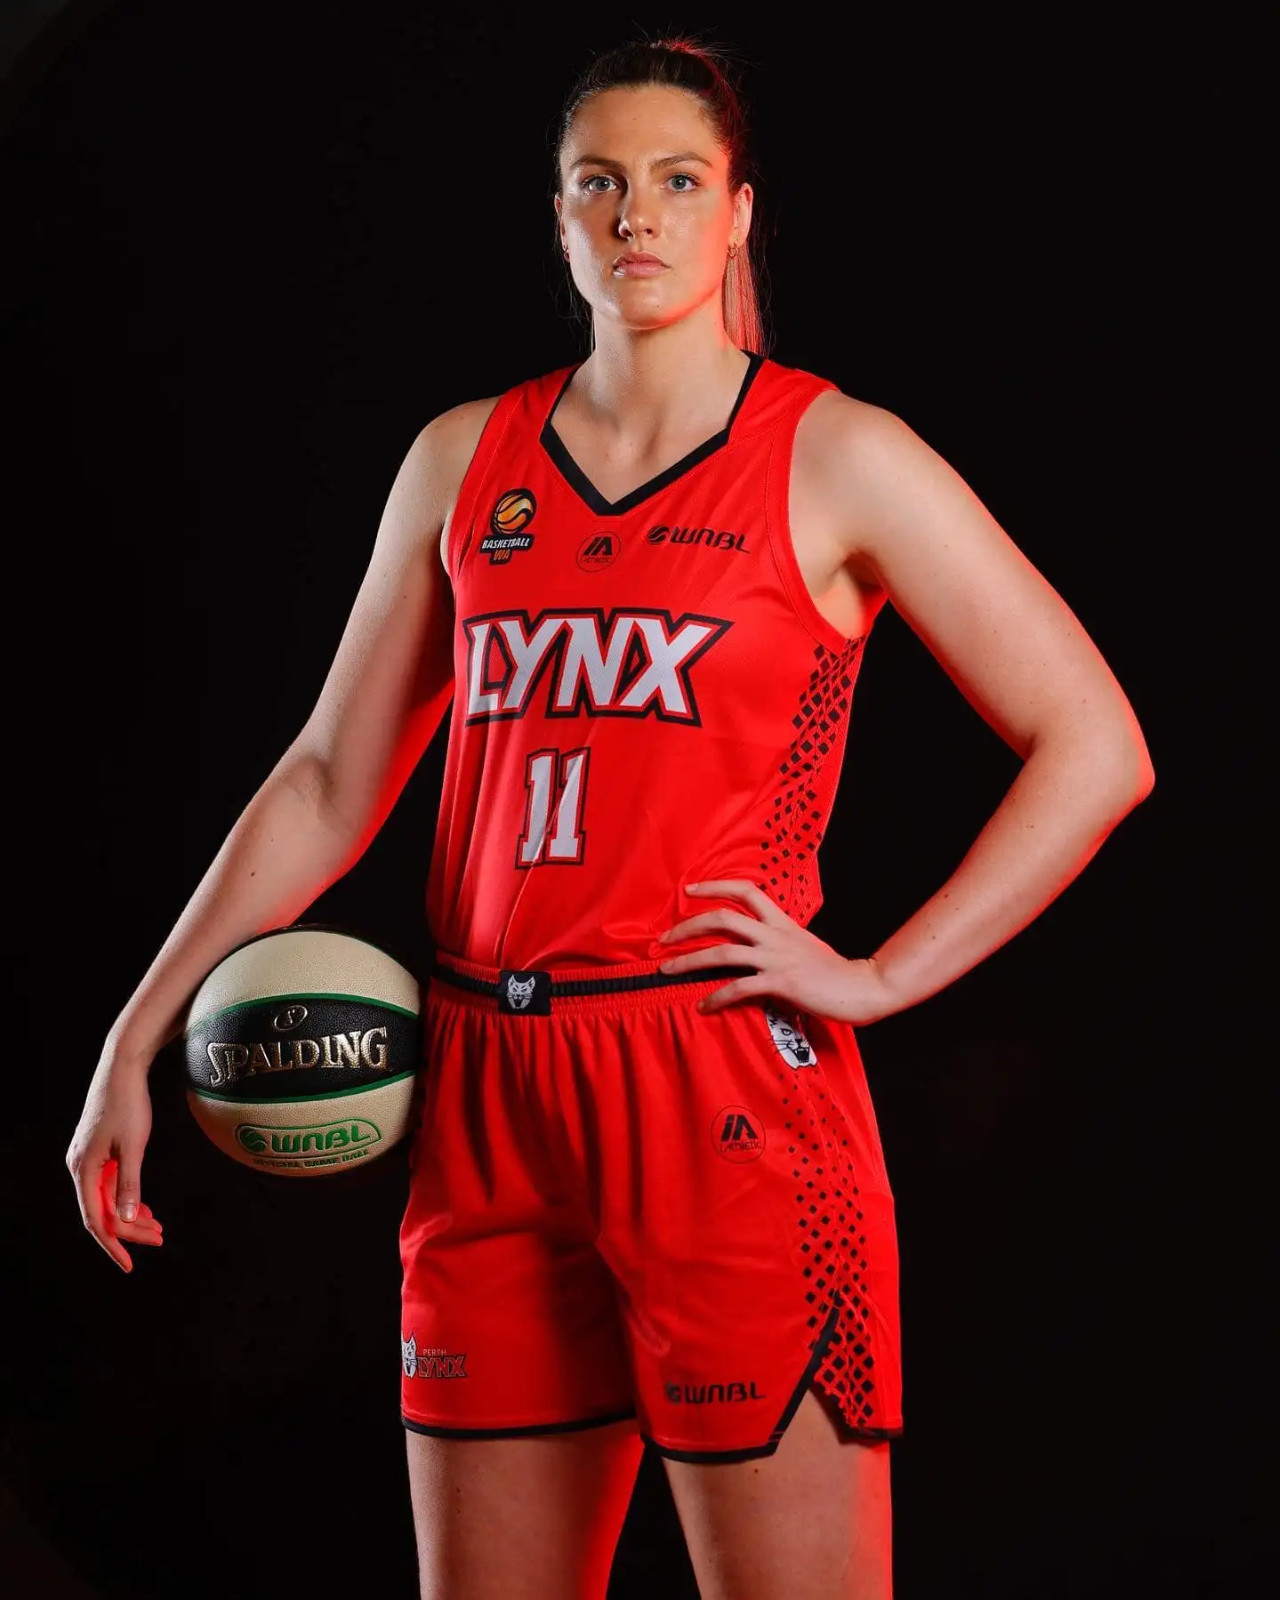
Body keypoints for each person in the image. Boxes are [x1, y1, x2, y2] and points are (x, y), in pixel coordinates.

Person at [65, 34, 1153, 1600]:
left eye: (678, 180)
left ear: (738, 212)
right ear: (559, 216)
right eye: (601, 182)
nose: (638, 212)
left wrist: (879, 976)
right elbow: (327, 779)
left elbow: (1097, 744)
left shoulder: (838, 454)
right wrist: (134, 1034)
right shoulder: (464, 459)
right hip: (486, 1100)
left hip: (722, 1094)